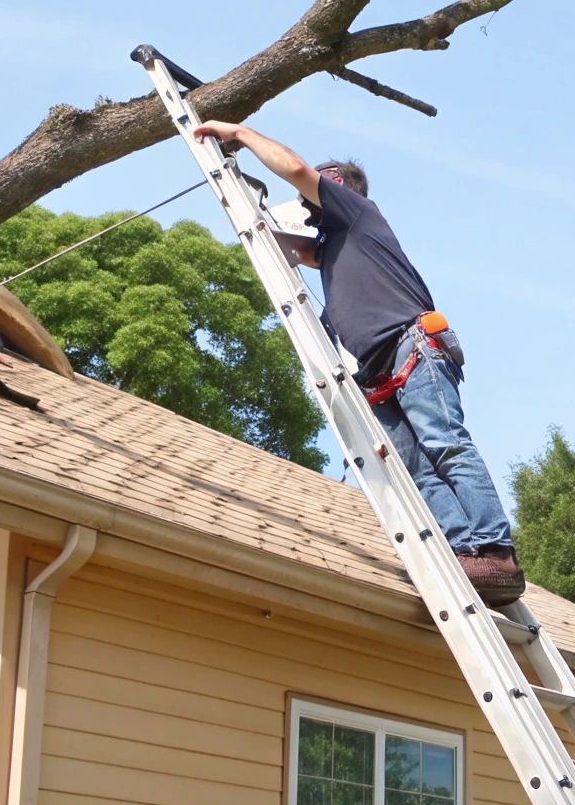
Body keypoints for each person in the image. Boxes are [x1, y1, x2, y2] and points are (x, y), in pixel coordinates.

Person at [190, 120, 526, 607]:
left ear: (339, 186)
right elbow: (291, 248)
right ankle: (466, 553)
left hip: (413, 351)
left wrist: (239, 134)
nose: (305, 195)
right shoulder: (332, 247)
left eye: (317, 188)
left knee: (445, 446)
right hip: (383, 372)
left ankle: (495, 550)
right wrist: (241, 204)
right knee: (416, 469)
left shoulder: (357, 213)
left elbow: (297, 168)